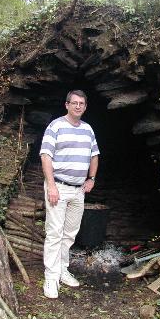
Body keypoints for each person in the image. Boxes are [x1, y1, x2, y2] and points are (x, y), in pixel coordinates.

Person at [40, 90, 100, 298]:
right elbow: (46, 156)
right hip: (59, 187)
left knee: (69, 233)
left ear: (85, 107)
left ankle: (62, 270)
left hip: (78, 190)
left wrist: (91, 179)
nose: (77, 106)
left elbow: (94, 155)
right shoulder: (55, 126)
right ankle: (50, 277)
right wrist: (52, 186)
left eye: (81, 103)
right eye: (74, 103)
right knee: (55, 232)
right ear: (66, 105)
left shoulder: (88, 129)